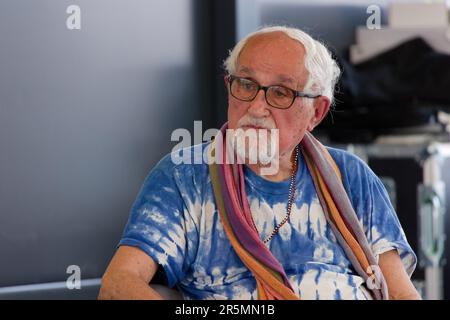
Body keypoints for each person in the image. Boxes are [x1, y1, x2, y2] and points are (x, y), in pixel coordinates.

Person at [98, 26, 421, 300]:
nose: (257, 106)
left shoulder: (350, 175)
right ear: (230, 89)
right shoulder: (184, 175)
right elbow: (118, 285)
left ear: (316, 113)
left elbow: (400, 292)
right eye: (247, 85)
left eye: (280, 93)